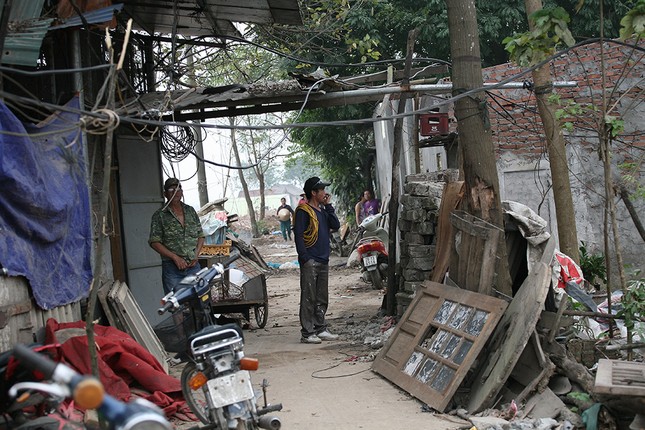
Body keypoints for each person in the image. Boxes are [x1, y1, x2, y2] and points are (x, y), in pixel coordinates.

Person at [294, 176, 341, 344]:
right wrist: (304, 257)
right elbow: (299, 235)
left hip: (323, 259)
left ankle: (320, 328)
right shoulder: (303, 211)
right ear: (314, 192)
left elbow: (335, 225)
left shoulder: (322, 210)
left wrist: (328, 206)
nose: (325, 193)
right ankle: (307, 332)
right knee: (309, 297)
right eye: (322, 190)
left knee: (321, 296)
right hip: (311, 260)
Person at [149, 178, 205, 294]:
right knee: (176, 304)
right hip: (172, 269)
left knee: (200, 301)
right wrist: (175, 257)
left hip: (193, 266)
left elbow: (201, 235)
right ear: (165, 194)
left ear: (182, 192)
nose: (175, 192)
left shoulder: (190, 211)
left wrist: (196, 254)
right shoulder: (160, 215)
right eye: (171, 189)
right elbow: (154, 242)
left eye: (178, 189)